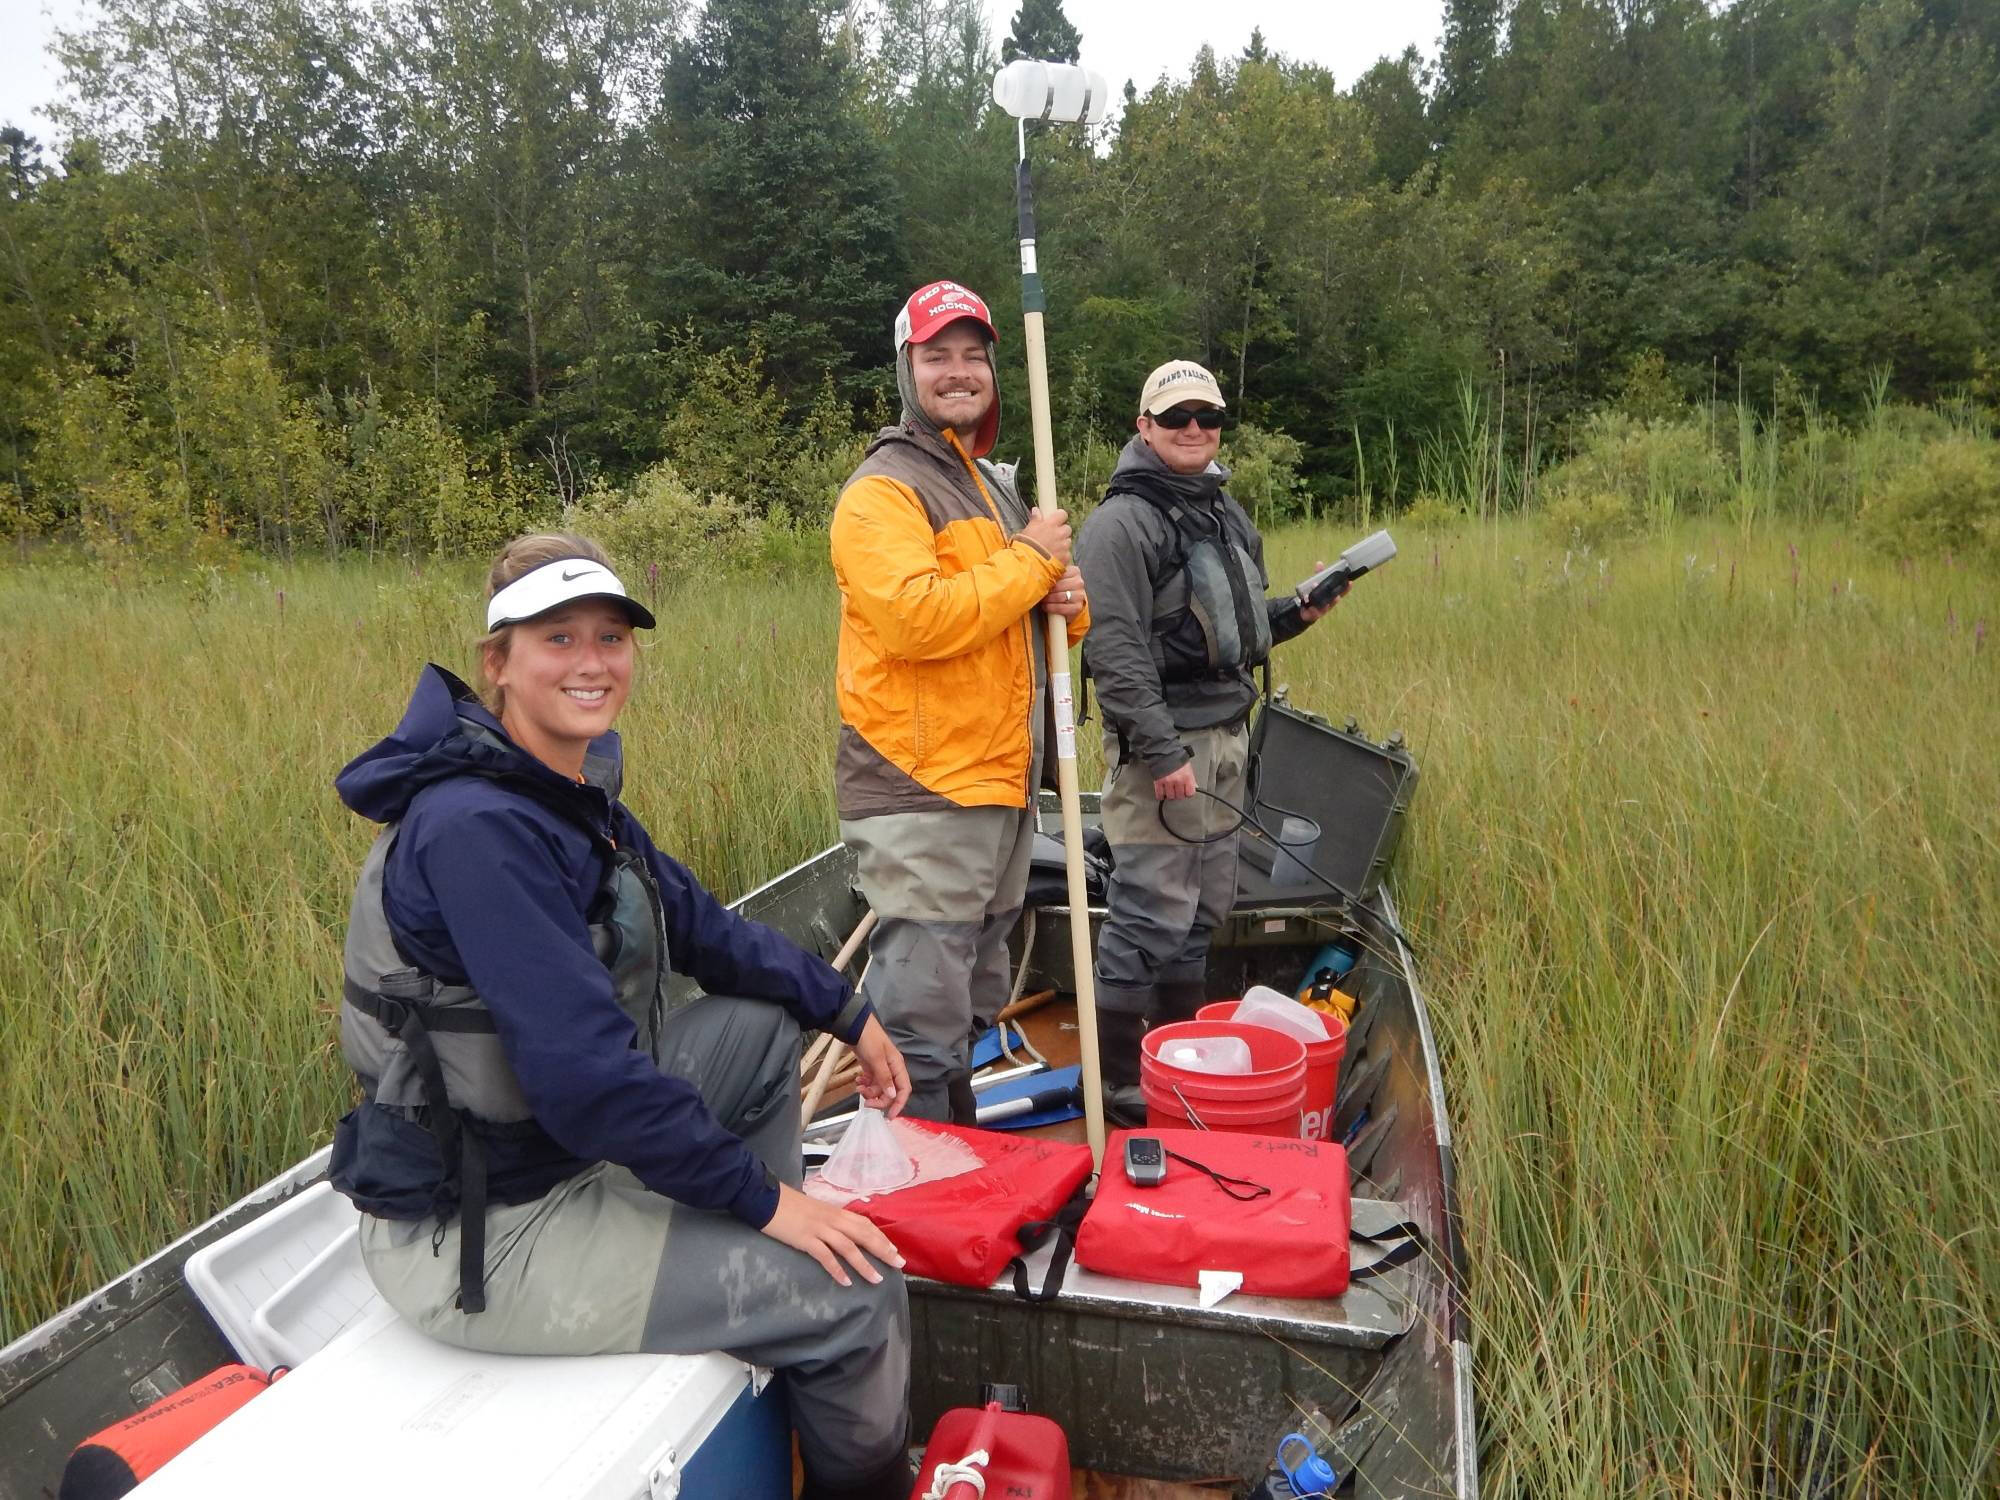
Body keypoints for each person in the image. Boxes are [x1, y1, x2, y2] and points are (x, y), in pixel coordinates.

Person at [327, 532, 915, 1500]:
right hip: (488, 1230)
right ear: (497, 664)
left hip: (562, 1151)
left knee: (763, 1026)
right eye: (556, 638)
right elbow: (588, 1082)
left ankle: (741, 1284)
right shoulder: (475, 829)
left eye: (609, 635)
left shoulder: (567, 791)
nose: (591, 661)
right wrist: (771, 1203)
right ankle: (820, 1374)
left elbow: (701, 928)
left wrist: (844, 1009)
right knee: (857, 1298)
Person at [830, 279, 1089, 1123]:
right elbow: (914, 620)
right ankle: (914, 1213)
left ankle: (964, 1175)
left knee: (971, 1007)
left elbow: (1023, 631)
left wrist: (1065, 597)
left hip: (998, 786)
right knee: (916, 1032)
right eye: (937, 356)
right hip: (925, 791)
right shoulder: (884, 490)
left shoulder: (991, 485)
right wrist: (1028, 563)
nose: (959, 371)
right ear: (907, 370)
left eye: (973, 356)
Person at [1075, 361, 1339, 1111]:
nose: (1194, 429)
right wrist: (1159, 752)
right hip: (1165, 749)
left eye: (1207, 416)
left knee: (1203, 906)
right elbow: (1114, 650)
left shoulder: (1225, 511)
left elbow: (1236, 630)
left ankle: (1182, 1053)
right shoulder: (1119, 525)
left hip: (1228, 738)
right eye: (1177, 416)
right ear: (1145, 426)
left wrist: (1301, 611)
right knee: (1148, 909)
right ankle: (1121, 1080)